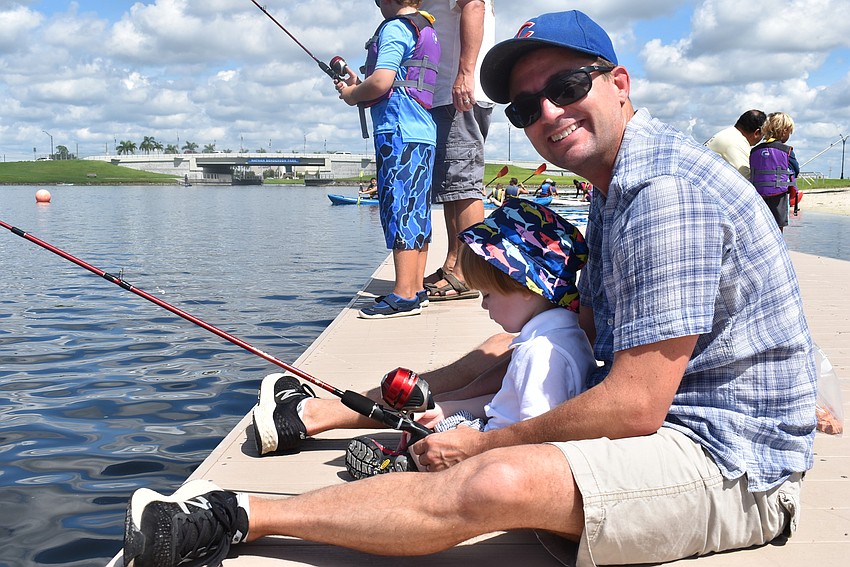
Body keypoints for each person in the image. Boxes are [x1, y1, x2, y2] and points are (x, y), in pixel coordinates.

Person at [122, 11, 817, 567]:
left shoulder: (661, 192)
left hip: (732, 470)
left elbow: (635, 404)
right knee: (505, 347)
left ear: (620, 83)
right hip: (686, 426)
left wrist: (485, 443)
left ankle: (233, 515)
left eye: (568, 87)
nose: (547, 113)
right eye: (523, 108)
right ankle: (318, 423)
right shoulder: (619, 184)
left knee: (497, 480)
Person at [345, 199, 596, 479]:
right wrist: (448, 409)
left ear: (526, 287)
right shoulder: (569, 334)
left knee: (430, 445)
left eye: (487, 294)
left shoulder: (538, 353)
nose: (484, 306)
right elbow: (509, 401)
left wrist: (466, 449)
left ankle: (402, 469)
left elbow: (534, 436)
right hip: (497, 435)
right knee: (443, 424)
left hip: (501, 455)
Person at [334, 0, 440, 319]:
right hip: (422, 131)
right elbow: (394, 77)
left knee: (399, 207)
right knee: (417, 209)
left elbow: (381, 82)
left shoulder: (395, 28)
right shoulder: (427, 30)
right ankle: (416, 287)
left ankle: (404, 294)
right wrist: (358, 80)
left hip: (397, 130)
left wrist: (352, 94)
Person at [422, 0, 496, 302]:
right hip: (448, 95)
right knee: (453, 187)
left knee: (464, 186)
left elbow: (474, 6)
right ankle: (454, 262)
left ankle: (469, 273)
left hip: (460, 93)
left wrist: (465, 74)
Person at [750, 112, 800, 232]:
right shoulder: (787, 150)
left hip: (758, 194)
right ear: (784, 131)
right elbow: (796, 170)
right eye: (789, 132)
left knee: (760, 227)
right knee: (778, 227)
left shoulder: (755, 150)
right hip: (779, 195)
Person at [706, 109, 766, 177]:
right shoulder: (738, 142)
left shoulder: (730, 134)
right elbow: (745, 179)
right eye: (763, 135)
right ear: (757, 133)